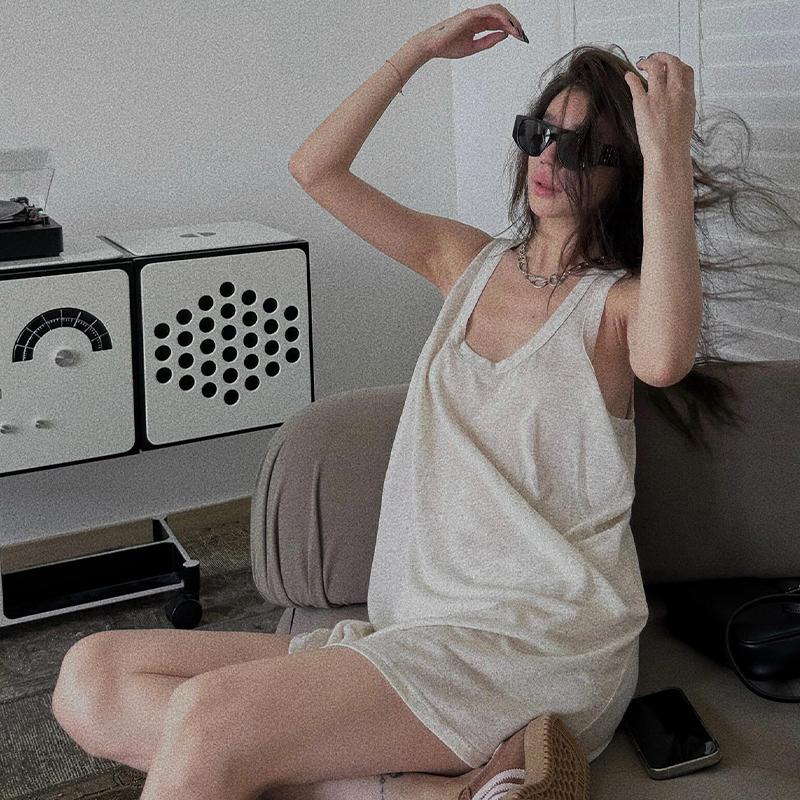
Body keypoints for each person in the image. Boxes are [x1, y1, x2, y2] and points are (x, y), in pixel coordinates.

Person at [50, 6, 719, 799]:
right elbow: (315, 169)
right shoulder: (464, 261)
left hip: (537, 641)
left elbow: (667, 357)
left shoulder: (616, 307)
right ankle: (434, 792)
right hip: (417, 630)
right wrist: (419, 51)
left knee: (211, 719)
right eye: (537, 132)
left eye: (579, 147)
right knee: (91, 678)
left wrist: (668, 151)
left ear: (624, 168)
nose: (547, 157)